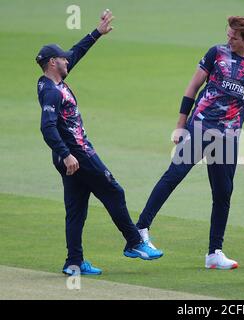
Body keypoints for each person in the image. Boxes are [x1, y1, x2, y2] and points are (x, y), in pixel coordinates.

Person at [136, 16, 244, 269]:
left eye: (234, 36)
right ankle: (141, 229)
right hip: (199, 126)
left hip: (229, 136)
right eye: (228, 34)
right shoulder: (216, 53)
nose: (228, 39)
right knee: (174, 175)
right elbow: (192, 87)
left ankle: (214, 253)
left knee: (223, 193)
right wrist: (179, 126)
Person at [36, 9, 162, 276]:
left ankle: (74, 262)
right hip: (77, 154)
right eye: (62, 58)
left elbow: (76, 53)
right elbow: (46, 127)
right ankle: (135, 243)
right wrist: (67, 154)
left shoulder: (53, 81)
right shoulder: (51, 92)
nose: (67, 59)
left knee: (76, 209)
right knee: (114, 192)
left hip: (68, 156)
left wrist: (97, 33)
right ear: (51, 63)